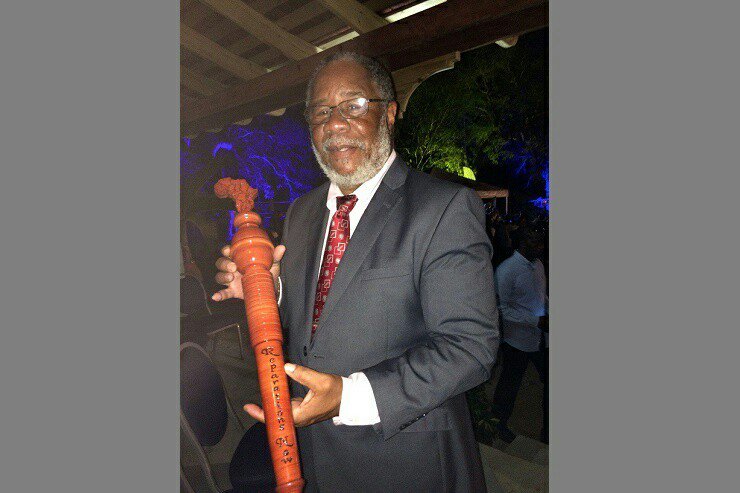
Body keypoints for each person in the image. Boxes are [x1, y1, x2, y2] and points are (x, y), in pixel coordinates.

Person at [212, 52, 499, 492]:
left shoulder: (442, 208)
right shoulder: (302, 212)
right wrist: (269, 290)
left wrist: (348, 397)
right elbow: (319, 316)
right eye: (321, 112)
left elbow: (470, 347)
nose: (335, 123)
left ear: (389, 113)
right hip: (313, 454)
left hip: (406, 461)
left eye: (354, 105)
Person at [490, 225, 549, 444]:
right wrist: (536, 321)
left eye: (542, 242)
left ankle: (548, 431)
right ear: (523, 243)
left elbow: (540, 296)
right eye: (536, 242)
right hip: (517, 341)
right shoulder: (507, 270)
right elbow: (501, 308)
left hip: (541, 339)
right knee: (510, 384)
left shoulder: (538, 264)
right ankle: (498, 425)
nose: (541, 247)